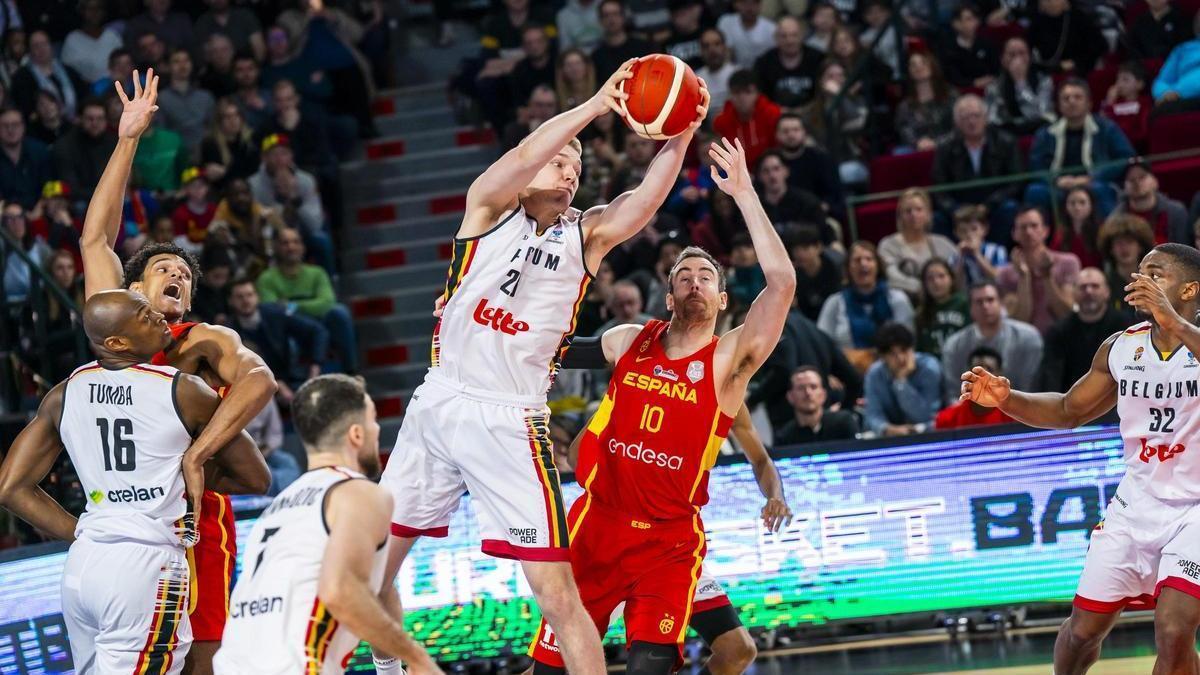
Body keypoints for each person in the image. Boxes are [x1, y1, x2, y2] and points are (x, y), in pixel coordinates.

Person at [372, 61, 709, 675]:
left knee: (558, 596)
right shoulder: (486, 210)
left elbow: (644, 201)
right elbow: (530, 150)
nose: (571, 171)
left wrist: (682, 133)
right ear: (527, 177)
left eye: (579, 168)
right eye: (562, 163)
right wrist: (596, 106)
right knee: (371, 568)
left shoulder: (586, 235)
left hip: (510, 418)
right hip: (439, 401)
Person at [529, 135, 795, 675]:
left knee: (680, 660)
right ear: (668, 296)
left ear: (723, 300)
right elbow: (547, 345)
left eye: (706, 277)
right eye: (683, 276)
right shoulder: (631, 339)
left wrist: (744, 194)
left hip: (668, 541)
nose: (694, 282)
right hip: (596, 526)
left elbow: (783, 282)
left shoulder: (728, 363)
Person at [79, 69, 278, 675]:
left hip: (193, 515)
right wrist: (128, 139)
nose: (176, 276)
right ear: (131, 289)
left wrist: (200, 454)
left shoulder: (203, 340)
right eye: (163, 269)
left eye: (185, 275)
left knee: (200, 657)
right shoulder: (115, 329)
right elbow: (94, 239)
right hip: (118, 515)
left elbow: (259, 378)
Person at [0, 289, 267, 675]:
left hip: (86, 565)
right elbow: (255, 477)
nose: (158, 317)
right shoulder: (182, 389)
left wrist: (85, 534)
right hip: (147, 565)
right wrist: (188, 462)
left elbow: (10, 486)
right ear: (117, 342)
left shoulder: (65, 392)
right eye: (145, 316)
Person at [963, 243, 1200, 675]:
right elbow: (1068, 410)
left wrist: (1175, 323)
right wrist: (1007, 398)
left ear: (1189, 290)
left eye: (1157, 273)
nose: (1141, 280)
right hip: (1136, 506)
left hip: (1196, 511)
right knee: (1083, 631)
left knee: (1173, 628)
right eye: (1139, 271)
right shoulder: (1121, 347)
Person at [211, 374, 436, 674]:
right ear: (356, 434)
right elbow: (339, 590)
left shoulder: (278, 506)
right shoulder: (358, 492)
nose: (377, 429)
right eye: (373, 420)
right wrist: (421, 661)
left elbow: (379, 588)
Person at [1026, 78, 1134, 217]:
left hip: (1094, 183)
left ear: (1089, 103)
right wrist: (1055, 181)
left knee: (1100, 190)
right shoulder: (1045, 133)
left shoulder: (1107, 128)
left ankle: (1110, 235)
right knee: (1035, 192)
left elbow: (1126, 157)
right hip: (1059, 187)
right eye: (1066, 98)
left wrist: (1093, 177)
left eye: (1077, 97)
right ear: (1059, 105)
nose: (1072, 101)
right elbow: (1036, 167)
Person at [255, 227, 355, 373]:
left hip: (320, 323)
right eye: (285, 243)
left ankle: (351, 371)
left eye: (296, 242)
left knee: (340, 312)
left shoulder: (317, 273)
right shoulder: (266, 279)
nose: (291, 247)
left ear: (303, 247)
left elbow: (327, 303)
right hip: (289, 330)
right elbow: (273, 313)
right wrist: (311, 305)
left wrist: (291, 306)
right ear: (276, 247)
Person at [930, 94, 1023, 235]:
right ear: (957, 122)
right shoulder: (945, 148)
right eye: (965, 118)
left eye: (976, 116)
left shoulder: (1006, 142)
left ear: (985, 118)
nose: (971, 122)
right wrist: (955, 209)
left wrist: (988, 206)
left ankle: (996, 253)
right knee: (937, 219)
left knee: (1010, 208)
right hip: (959, 208)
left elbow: (1016, 182)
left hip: (994, 204)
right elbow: (939, 188)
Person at [225, 277, 328, 401]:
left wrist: (314, 369)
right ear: (231, 301)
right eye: (239, 297)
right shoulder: (228, 331)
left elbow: (318, 331)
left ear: (257, 297)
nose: (246, 300)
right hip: (258, 386)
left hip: (292, 374)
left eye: (249, 295)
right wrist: (277, 384)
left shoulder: (275, 314)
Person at [941, 281, 1043, 397]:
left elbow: (1031, 390)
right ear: (970, 308)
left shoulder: (1028, 338)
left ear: (1001, 303)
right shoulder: (954, 346)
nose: (985, 306)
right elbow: (953, 394)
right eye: (979, 302)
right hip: (970, 411)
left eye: (990, 300)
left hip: (1019, 410)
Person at [1040, 266, 1131, 392]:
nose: (1089, 291)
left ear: (1107, 292)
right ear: (1073, 293)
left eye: (1095, 286)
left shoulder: (1127, 328)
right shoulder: (1058, 332)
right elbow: (1051, 379)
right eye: (1083, 287)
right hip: (1072, 402)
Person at [818, 240, 915, 357]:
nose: (863, 264)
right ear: (848, 268)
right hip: (849, 368)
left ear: (878, 265)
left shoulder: (897, 299)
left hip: (893, 365)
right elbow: (822, 344)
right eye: (857, 260)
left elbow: (908, 341)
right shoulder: (835, 303)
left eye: (869, 259)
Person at [997, 205, 1081, 334]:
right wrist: (1023, 278)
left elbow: (1067, 314)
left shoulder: (1067, 262)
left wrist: (1047, 277)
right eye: (1023, 227)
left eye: (1034, 226)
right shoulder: (1005, 274)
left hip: (1063, 338)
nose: (1029, 232)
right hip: (1026, 341)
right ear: (1014, 234)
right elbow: (1020, 321)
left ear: (1046, 231)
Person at [864, 322, 943, 436]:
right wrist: (886, 428)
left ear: (912, 348)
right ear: (882, 357)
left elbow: (925, 416)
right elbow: (872, 414)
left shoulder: (929, 367)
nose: (901, 358)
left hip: (928, 435)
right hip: (890, 438)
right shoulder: (875, 374)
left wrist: (901, 382)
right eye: (893, 354)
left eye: (904, 350)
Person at [878, 188, 958, 296]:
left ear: (928, 214)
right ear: (900, 216)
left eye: (919, 209)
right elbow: (892, 276)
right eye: (908, 211)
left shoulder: (942, 243)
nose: (913, 215)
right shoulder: (888, 245)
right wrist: (924, 287)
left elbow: (957, 272)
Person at [774, 112, 844, 220]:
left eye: (796, 130)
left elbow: (835, 194)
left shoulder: (821, 159)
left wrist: (821, 207)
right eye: (785, 131)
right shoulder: (771, 163)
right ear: (777, 135)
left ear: (804, 132)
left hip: (817, 216)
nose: (791, 135)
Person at [984, 37, 1055, 136]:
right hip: (1008, 132)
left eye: (1022, 53)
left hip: (1037, 129)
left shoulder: (1044, 81)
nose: (1017, 59)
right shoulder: (994, 86)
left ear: (1030, 57)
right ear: (1003, 59)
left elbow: (1040, 113)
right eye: (1012, 54)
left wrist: (1021, 83)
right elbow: (992, 119)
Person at [1111, 158, 1191, 246]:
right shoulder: (1116, 218)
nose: (1137, 182)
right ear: (1124, 187)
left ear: (1155, 182)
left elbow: (1185, 251)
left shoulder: (1176, 212)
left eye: (1142, 177)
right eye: (1131, 179)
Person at [713, 69, 781, 169]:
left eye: (748, 92)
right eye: (736, 93)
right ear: (730, 95)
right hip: (736, 173)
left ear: (758, 94)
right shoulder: (721, 122)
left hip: (768, 171)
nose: (742, 98)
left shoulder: (773, 114)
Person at [775, 366, 861, 444]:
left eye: (813, 387)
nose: (808, 393)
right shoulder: (784, 436)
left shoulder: (843, 423)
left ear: (823, 394)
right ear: (790, 397)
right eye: (801, 388)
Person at [753, 15, 822, 108]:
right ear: (776, 38)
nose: (789, 40)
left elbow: (823, 94)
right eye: (783, 36)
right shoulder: (763, 63)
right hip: (775, 114)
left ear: (802, 36)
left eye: (794, 35)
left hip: (812, 113)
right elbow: (759, 97)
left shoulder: (818, 58)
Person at [934, 346, 1013, 428]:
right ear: (967, 375)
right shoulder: (946, 419)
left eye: (989, 369)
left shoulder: (1015, 416)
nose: (983, 377)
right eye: (977, 371)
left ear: (1000, 375)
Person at [894, 50, 956, 152]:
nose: (918, 67)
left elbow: (958, 128)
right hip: (919, 149)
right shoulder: (905, 106)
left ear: (932, 66)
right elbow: (905, 131)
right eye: (913, 65)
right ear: (909, 71)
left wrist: (936, 143)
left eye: (923, 62)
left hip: (949, 146)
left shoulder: (950, 95)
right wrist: (918, 143)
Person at [1098, 213, 1156, 316]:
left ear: (1140, 247)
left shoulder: (1154, 281)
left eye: (1129, 242)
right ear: (1111, 249)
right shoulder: (1103, 283)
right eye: (1119, 243)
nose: (1124, 248)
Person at [1027, 0, 1104, 75]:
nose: (1046, 3)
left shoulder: (1079, 18)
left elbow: (1100, 46)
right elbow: (1027, 46)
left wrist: (1074, 62)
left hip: (1075, 72)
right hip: (1043, 72)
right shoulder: (1037, 20)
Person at [916, 258, 970, 358]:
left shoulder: (964, 304)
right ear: (924, 284)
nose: (936, 282)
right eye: (930, 278)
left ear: (951, 279)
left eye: (941, 276)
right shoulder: (921, 313)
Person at [591, 0, 656, 82]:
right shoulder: (597, 56)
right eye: (606, 15)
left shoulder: (642, 47)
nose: (611, 19)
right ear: (600, 20)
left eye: (615, 14)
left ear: (623, 17)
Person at [0, 105, 51, 209]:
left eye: (15, 124)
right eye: (5, 125)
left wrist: (40, 207)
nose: (10, 130)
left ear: (23, 126)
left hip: (39, 210)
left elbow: (50, 185)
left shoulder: (40, 151)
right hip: (5, 213)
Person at [60, 0, 122, 85]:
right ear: (82, 11)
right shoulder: (72, 40)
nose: (95, 13)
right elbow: (67, 74)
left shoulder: (112, 35)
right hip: (87, 92)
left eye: (98, 8)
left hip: (118, 86)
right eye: (91, 9)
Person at [939, 3, 999, 89]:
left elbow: (995, 70)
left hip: (989, 88)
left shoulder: (987, 43)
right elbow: (952, 77)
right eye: (968, 19)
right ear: (956, 24)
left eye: (975, 19)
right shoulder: (948, 48)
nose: (974, 23)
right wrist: (973, 82)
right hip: (961, 92)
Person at [1151, 14, 1200, 114]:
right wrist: (1165, 93)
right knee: (1158, 113)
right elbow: (1161, 81)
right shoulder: (1183, 49)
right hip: (1180, 101)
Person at [1100, 61, 1152, 152]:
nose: (1119, 84)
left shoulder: (1145, 103)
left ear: (1140, 84)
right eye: (1118, 80)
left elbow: (1143, 131)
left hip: (1135, 146)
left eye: (1125, 80)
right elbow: (1102, 124)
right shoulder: (1113, 104)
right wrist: (1109, 102)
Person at [953, 204, 1007, 285]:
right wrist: (960, 258)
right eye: (963, 231)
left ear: (985, 229)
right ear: (956, 233)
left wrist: (976, 254)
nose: (969, 234)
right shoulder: (955, 255)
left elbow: (1000, 279)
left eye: (974, 229)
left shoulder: (997, 250)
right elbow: (954, 286)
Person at [717, 0, 776, 69]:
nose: (749, 8)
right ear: (736, 4)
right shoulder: (726, 23)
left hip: (762, 73)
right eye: (744, 2)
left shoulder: (772, 29)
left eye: (754, 3)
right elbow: (725, 54)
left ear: (760, 5)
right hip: (732, 73)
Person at [1056, 186, 1103, 269]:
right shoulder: (1061, 234)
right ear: (1065, 207)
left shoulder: (1101, 231)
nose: (1077, 207)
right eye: (1072, 203)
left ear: (1091, 205)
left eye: (1082, 202)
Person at [1128, 0, 1192, 60]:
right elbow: (1133, 53)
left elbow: (1186, 49)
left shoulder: (1182, 20)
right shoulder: (1138, 23)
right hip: (1145, 68)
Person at [696, 28, 737, 120]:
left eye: (717, 44)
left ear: (725, 47)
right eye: (706, 46)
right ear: (701, 51)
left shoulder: (737, 74)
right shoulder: (696, 79)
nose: (712, 50)